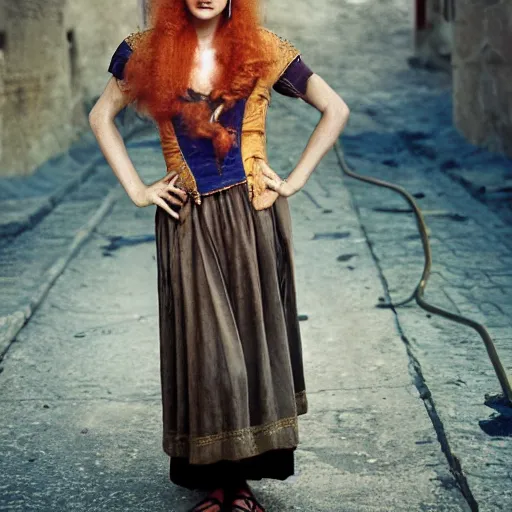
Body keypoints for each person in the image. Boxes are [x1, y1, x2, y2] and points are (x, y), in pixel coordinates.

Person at [89, 0, 349, 510]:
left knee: (252, 349)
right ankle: (215, 484)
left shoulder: (265, 48)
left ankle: (242, 485)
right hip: (188, 222)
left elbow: (335, 108)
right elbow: (101, 117)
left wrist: (293, 181)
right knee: (209, 356)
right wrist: (139, 190)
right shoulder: (144, 52)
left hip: (254, 219)